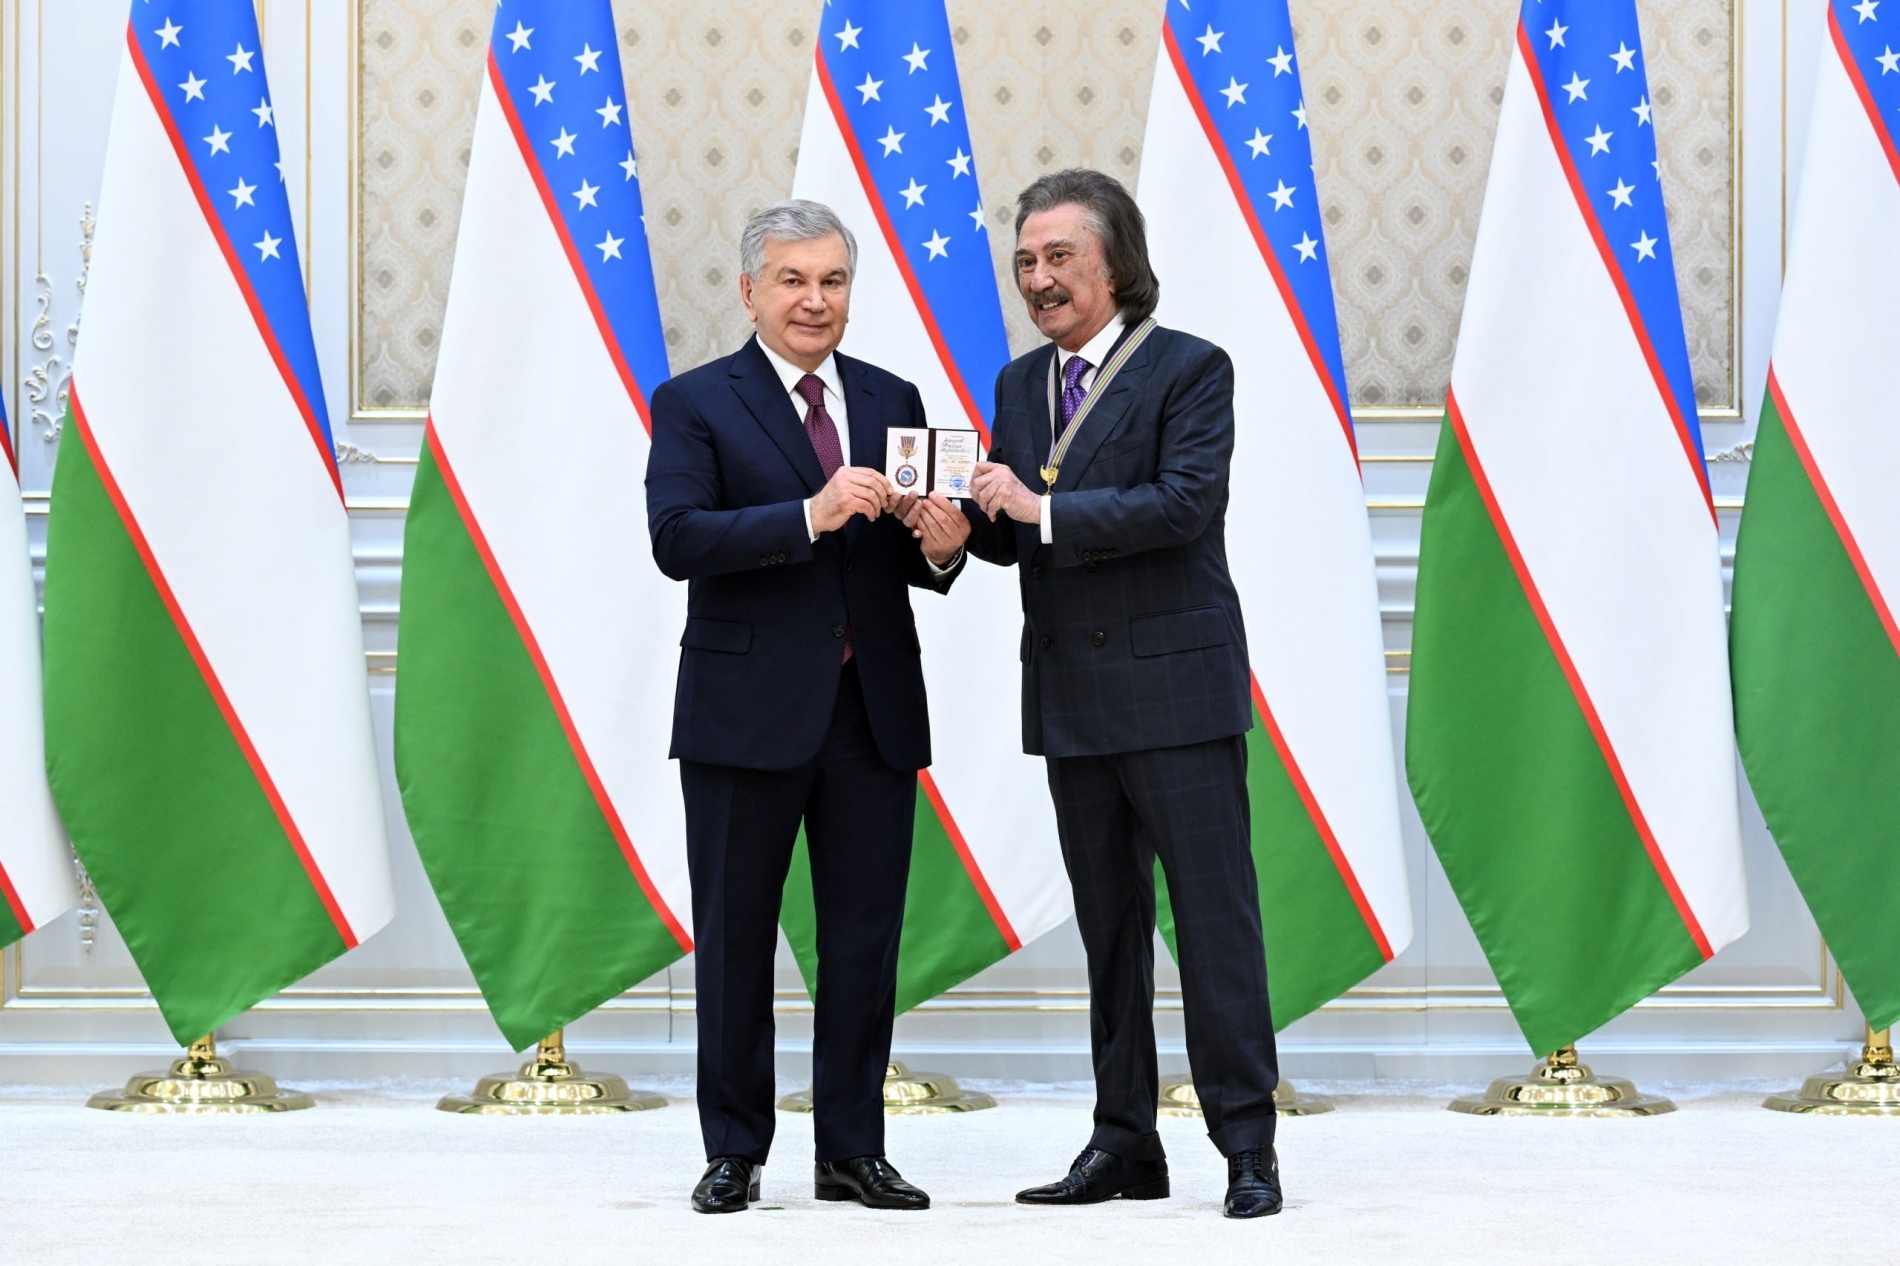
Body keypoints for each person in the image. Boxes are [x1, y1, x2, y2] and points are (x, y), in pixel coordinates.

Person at [952, 169, 1282, 1219]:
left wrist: (1034, 511)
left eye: (1060, 257)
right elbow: (1013, 531)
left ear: (1117, 264)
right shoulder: (1018, 385)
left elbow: (1183, 505)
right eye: (1025, 262)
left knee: (1215, 925)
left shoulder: (1190, 368)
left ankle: (1246, 1144)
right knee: (1109, 933)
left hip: (1176, 692)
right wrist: (957, 533)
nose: (1038, 280)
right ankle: (1124, 1142)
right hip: (1073, 696)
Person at [646, 200, 971, 1215]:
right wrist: (807, 513)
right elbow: (677, 539)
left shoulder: (890, 395)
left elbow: (909, 556)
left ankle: (852, 1151)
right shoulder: (696, 401)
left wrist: (942, 547)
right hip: (742, 714)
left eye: (832, 281)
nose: (814, 300)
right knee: (736, 940)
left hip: (870, 711)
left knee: (864, 942)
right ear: (750, 291)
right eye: (792, 280)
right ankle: (735, 1150)